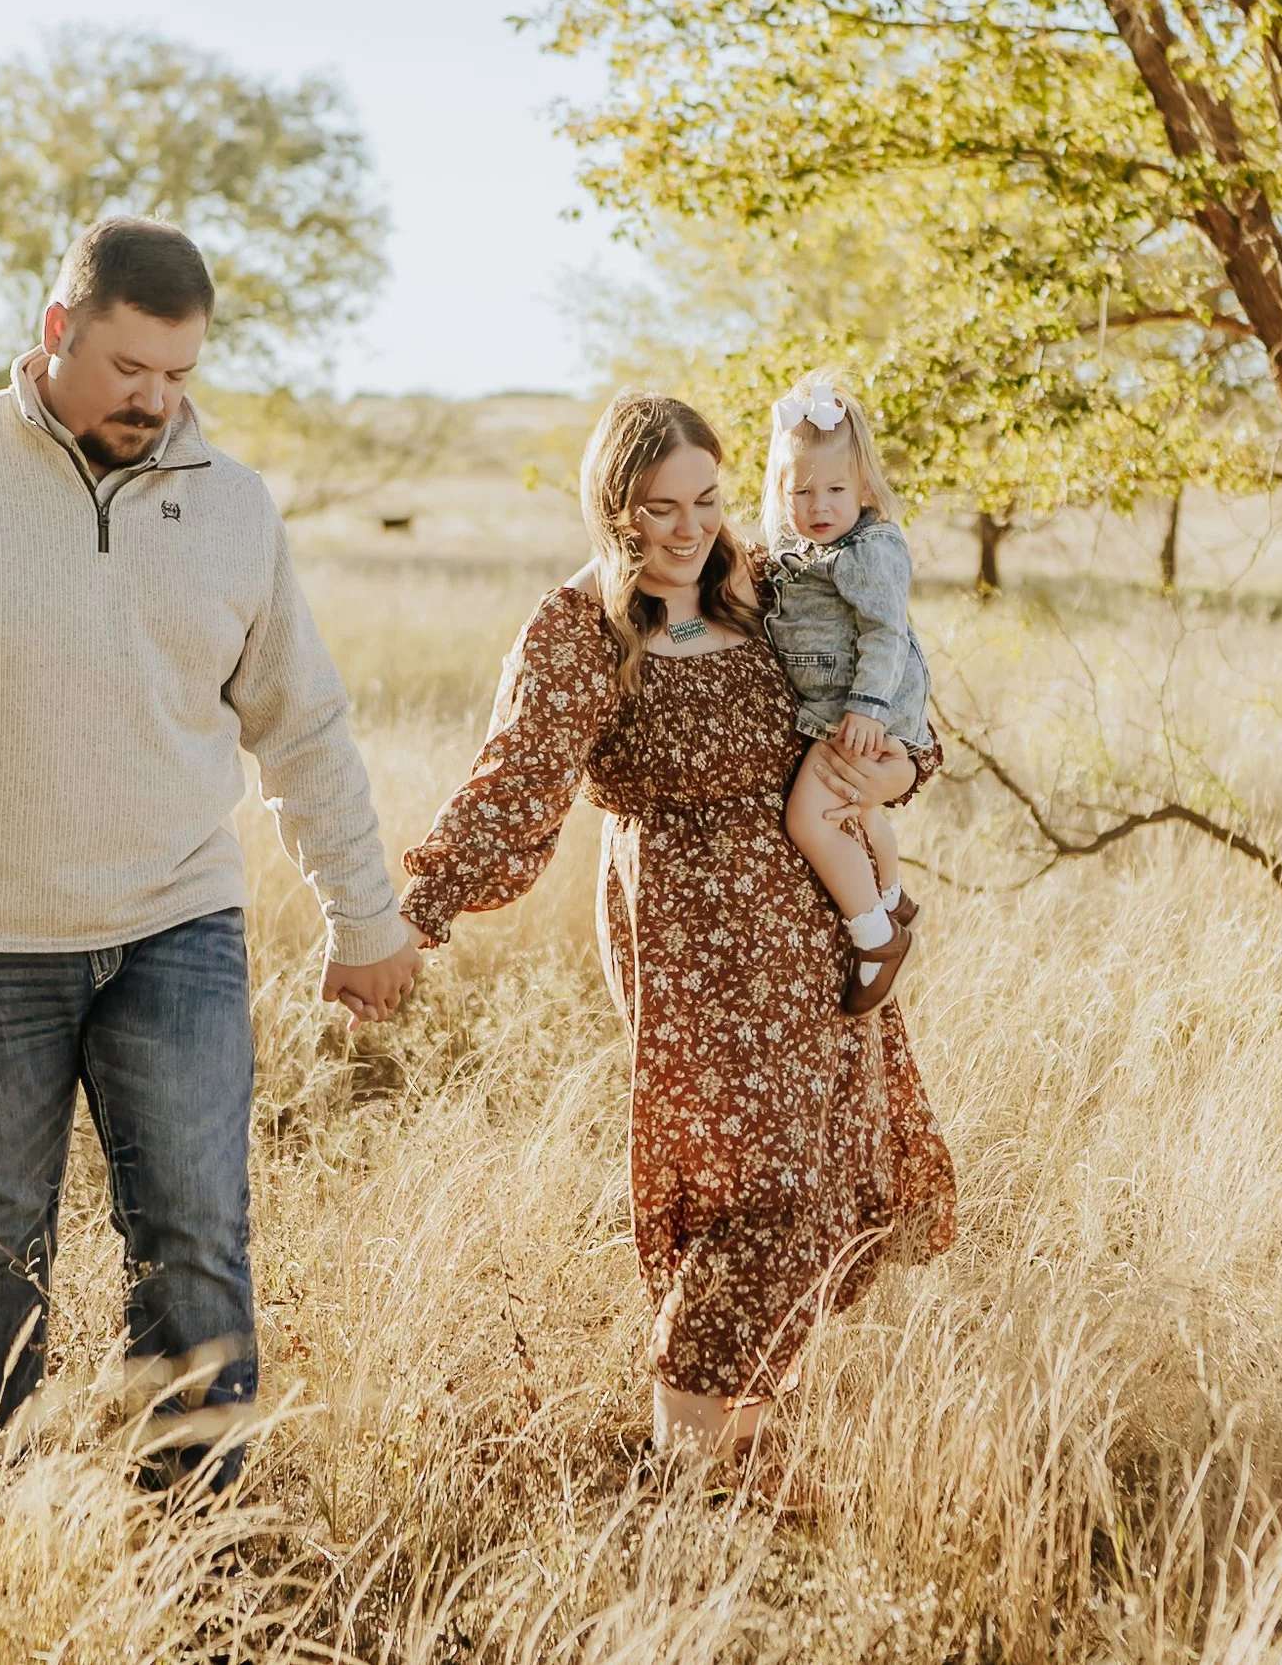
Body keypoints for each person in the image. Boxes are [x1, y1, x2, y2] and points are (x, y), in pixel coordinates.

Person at [0, 216, 422, 1488]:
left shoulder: (231, 505)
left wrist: (365, 912)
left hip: (176, 924)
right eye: (131, 368)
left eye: (180, 374)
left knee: (195, 1237)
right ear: (58, 331)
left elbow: (302, 725)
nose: (156, 399)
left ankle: (194, 1528)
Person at [397, 392, 956, 1457]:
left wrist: (898, 762)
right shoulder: (582, 623)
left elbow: (877, 694)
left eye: (706, 499)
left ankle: (737, 1446)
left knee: (818, 1184)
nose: (691, 527)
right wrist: (424, 901)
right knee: (744, 1191)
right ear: (613, 508)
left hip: (814, 940)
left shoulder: (759, 582)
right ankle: (683, 1454)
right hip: (692, 943)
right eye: (660, 508)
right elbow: (518, 776)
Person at [757, 369, 936, 1014]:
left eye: (835, 488)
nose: (820, 505)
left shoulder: (868, 550)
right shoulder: (795, 554)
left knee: (809, 818)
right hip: (846, 711)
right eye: (801, 491)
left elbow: (885, 632)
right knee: (858, 811)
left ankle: (874, 936)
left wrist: (867, 707)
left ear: (864, 486)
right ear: (781, 492)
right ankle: (890, 896)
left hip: (863, 709)